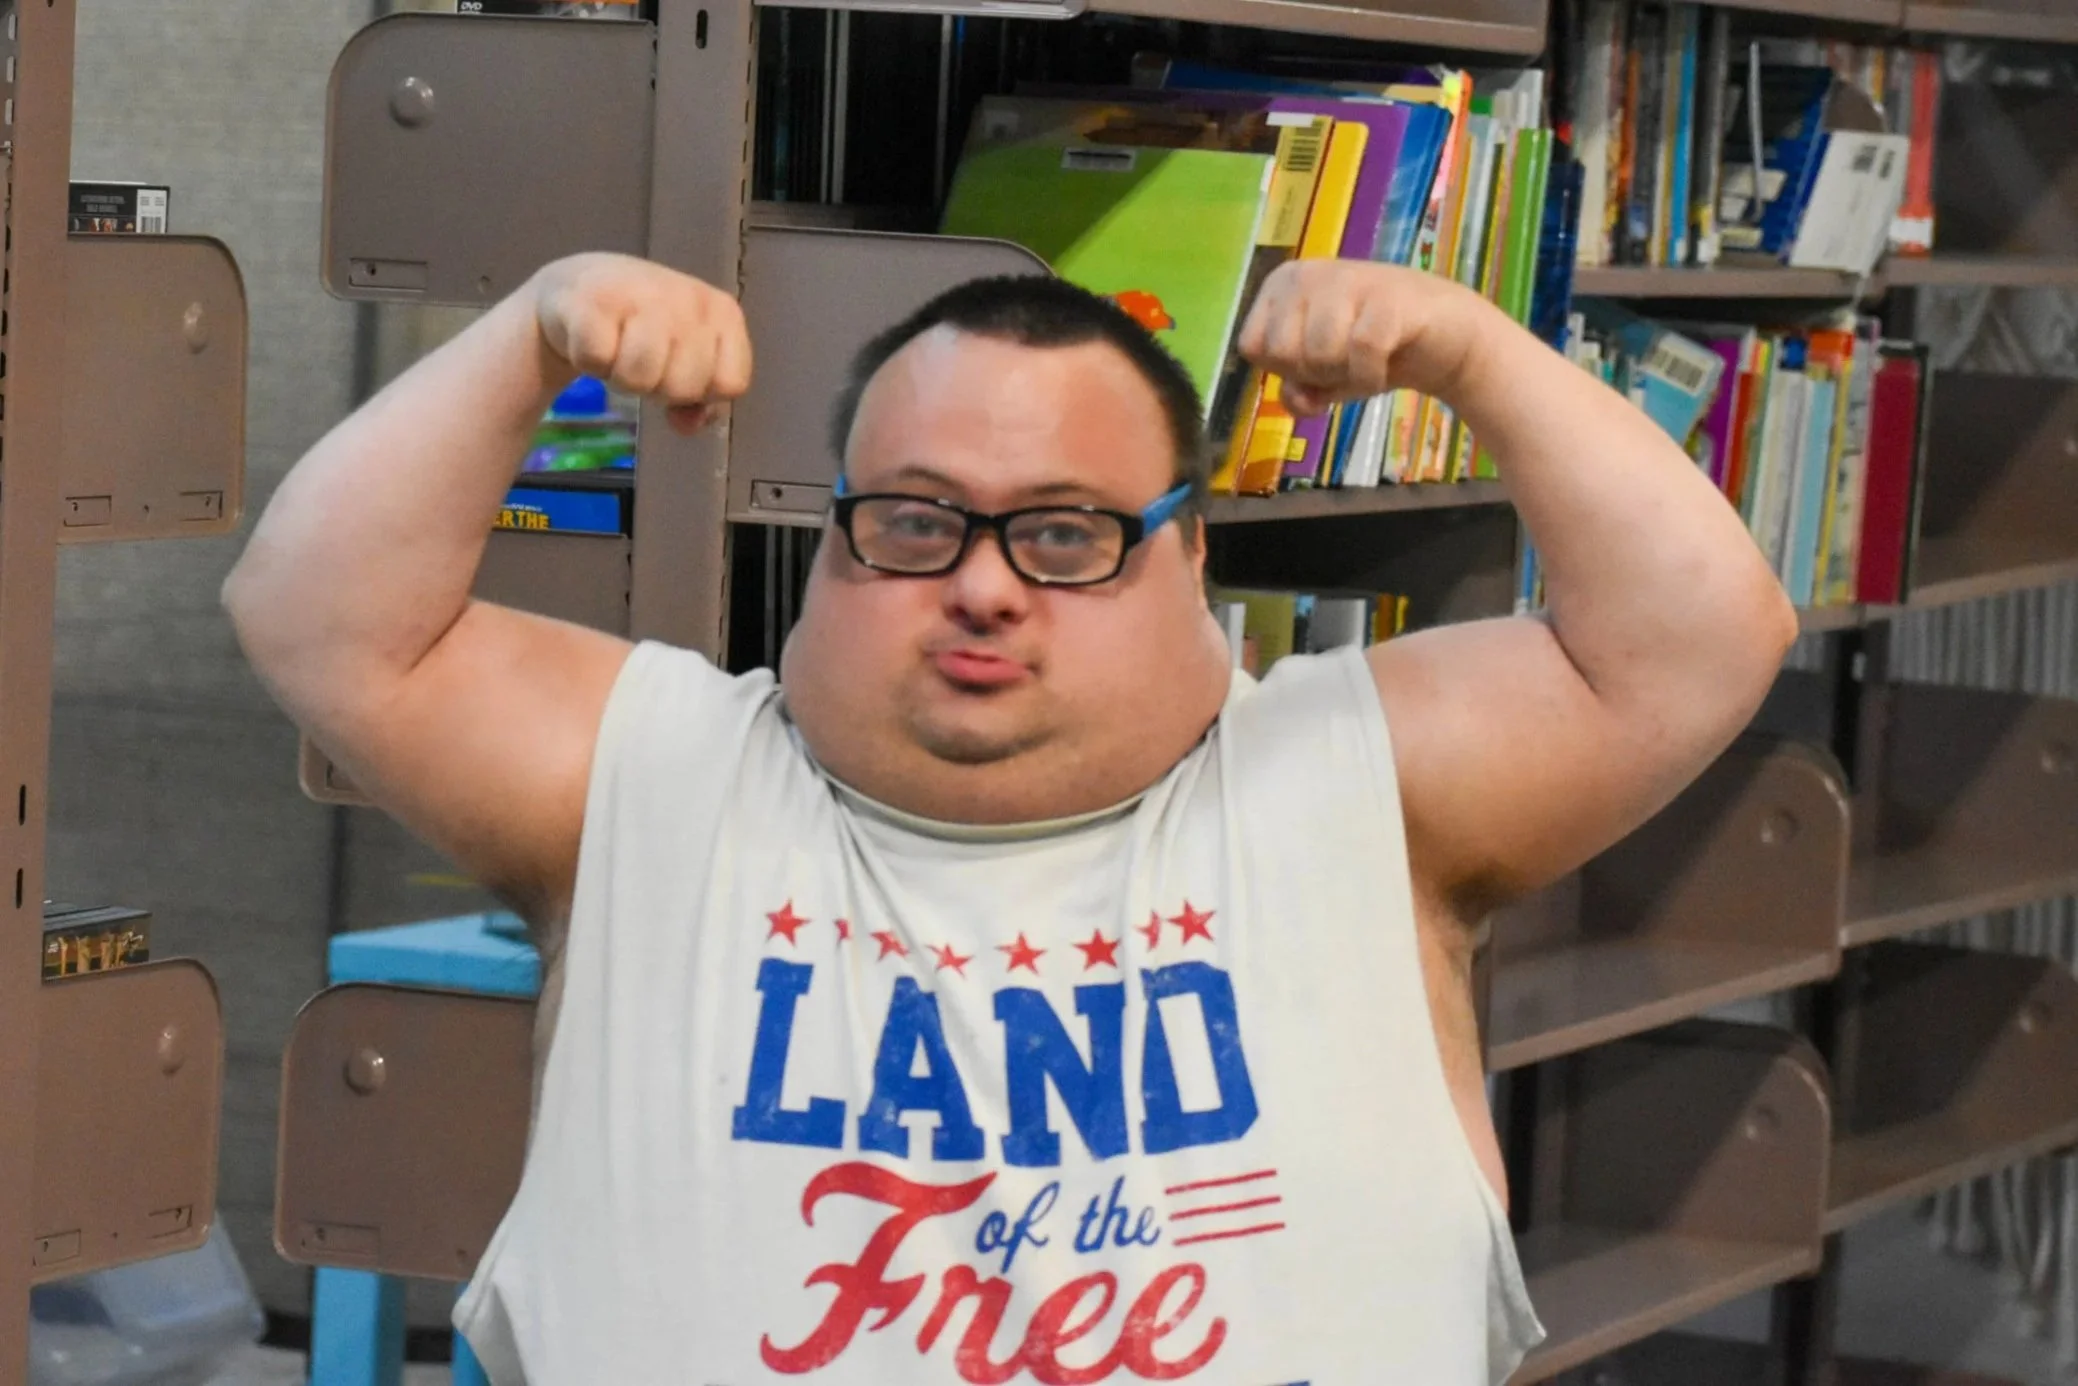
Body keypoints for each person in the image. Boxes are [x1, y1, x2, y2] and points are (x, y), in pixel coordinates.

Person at [224, 250, 1797, 1385]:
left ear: (1192, 562)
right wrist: (530, 330)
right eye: (912, 521)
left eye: (1065, 532)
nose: (980, 582)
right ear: (827, 544)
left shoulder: (1353, 785)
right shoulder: (655, 776)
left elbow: (1700, 635)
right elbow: (316, 617)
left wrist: (1471, 351)